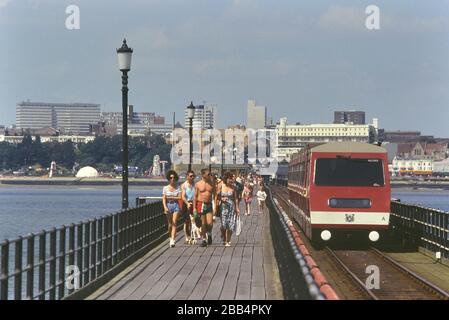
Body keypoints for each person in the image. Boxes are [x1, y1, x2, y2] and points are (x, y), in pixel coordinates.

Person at [193, 168, 216, 247]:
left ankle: (209, 234)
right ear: (203, 175)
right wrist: (194, 208)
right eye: (208, 174)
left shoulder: (212, 183)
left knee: (210, 223)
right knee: (203, 223)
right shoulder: (198, 184)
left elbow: (215, 194)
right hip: (201, 204)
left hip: (209, 204)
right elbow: (195, 197)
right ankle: (203, 240)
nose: (210, 175)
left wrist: (215, 206)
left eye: (210, 174)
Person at [218, 171, 240, 247]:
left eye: (231, 179)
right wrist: (221, 199)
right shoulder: (221, 185)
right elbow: (216, 196)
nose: (231, 180)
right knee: (224, 225)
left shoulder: (233, 187)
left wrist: (237, 208)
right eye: (229, 179)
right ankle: (224, 237)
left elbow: (236, 198)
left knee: (231, 224)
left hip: (231, 207)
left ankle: (228, 240)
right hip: (223, 207)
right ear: (225, 179)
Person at [162, 170, 182, 248]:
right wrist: (165, 207)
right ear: (168, 178)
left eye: (173, 177)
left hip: (176, 205)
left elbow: (180, 197)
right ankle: (170, 236)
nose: (172, 179)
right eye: (171, 178)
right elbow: (164, 199)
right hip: (168, 205)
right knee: (170, 224)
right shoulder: (165, 188)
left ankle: (172, 240)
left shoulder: (178, 187)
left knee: (174, 223)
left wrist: (171, 197)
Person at [181, 170, 196, 244]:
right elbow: (183, 196)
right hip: (186, 203)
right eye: (191, 176)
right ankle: (187, 236)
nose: (192, 177)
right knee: (186, 221)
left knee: (194, 219)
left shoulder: (195, 185)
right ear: (187, 177)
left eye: (193, 176)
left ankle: (193, 235)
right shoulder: (184, 185)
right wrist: (187, 203)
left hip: (194, 203)